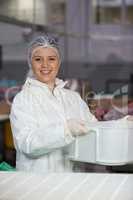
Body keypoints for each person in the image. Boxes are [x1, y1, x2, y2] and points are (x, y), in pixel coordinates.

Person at [10, 35, 97, 173]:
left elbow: (95, 129)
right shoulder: (23, 100)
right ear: (30, 63)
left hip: (73, 181)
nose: (45, 65)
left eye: (51, 59)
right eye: (38, 59)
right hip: (37, 183)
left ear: (59, 62)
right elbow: (27, 143)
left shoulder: (73, 98)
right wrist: (66, 130)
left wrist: (121, 124)